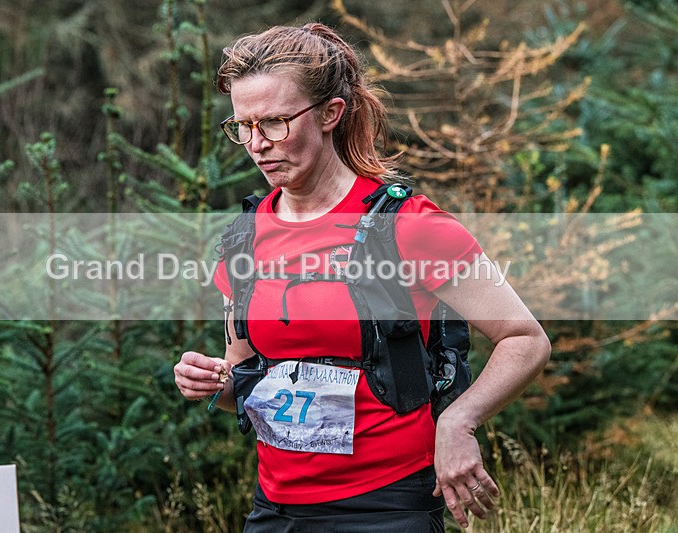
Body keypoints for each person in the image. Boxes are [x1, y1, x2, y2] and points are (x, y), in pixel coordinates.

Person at [174, 22, 550, 531]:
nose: (257, 143)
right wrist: (209, 381)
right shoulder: (243, 238)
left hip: (388, 505)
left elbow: (525, 339)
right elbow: (242, 382)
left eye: (276, 122)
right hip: (276, 510)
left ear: (331, 114)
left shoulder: (410, 225)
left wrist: (459, 420)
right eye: (244, 125)